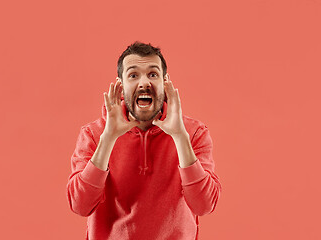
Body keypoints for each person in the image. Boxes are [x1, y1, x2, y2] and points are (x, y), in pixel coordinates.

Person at [66, 41, 222, 240]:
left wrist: (179, 137)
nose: (143, 83)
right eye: (133, 75)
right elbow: (80, 205)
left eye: (153, 74)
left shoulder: (193, 133)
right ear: (121, 85)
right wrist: (108, 139)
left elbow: (204, 205)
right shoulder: (94, 134)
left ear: (165, 83)